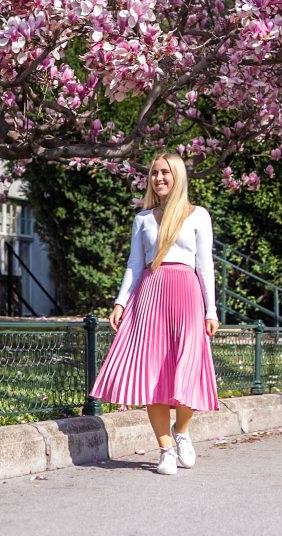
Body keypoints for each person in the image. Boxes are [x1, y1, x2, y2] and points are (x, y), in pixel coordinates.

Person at [90, 151, 220, 476]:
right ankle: (165, 450)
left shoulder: (198, 215)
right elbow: (134, 265)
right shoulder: (143, 219)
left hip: (188, 296)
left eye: (165, 173)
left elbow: (205, 266)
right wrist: (120, 302)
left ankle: (182, 431)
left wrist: (211, 310)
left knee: (188, 370)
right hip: (151, 295)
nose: (159, 178)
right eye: (154, 173)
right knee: (153, 374)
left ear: (178, 176)